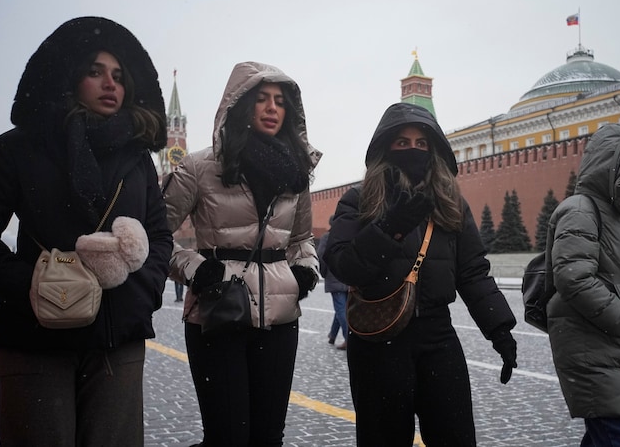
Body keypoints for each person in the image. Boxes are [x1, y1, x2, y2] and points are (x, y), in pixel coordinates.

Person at [0, 17, 172, 446]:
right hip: (36, 337)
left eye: (119, 76)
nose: (110, 84)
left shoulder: (138, 159)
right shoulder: (20, 148)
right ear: (71, 76)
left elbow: (160, 235)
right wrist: (31, 286)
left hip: (117, 338)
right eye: (95, 71)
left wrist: (144, 290)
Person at [323, 102, 518, 447]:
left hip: (437, 338)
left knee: (455, 437)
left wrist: (499, 329)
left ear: (434, 150)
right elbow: (342, 264)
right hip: (377, 341)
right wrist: (388, 229)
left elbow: (473, 271)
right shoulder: (359, 200)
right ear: (386, 148)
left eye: (421, 143)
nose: (412, 150)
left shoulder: (449, 203)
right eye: (402, 142)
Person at [163, 61, 321, 447]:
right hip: (219, 312)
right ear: (239, 105)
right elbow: (151, 236)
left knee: (268, 437)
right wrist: (198, 270)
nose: (271, 108)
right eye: (261, 99)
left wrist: (304, 272)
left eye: (280, 101)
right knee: (228, 436)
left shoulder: (295, 173)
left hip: (281, 318)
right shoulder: (199, 167)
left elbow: (301, 239)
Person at [545, 123, 620, 446]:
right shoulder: (581, 211)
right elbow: (573, 276)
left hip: (617, 358)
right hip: (599, 357)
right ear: (617, 163)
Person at [315, 216, 349, 350]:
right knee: (343, 308)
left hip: (334, 277)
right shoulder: (347, 236)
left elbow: (321, 256)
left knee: (341, 309)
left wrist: (324, 273)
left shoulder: (327, 237)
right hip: (347, 278)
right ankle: (333, 335)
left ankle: (348, 339)